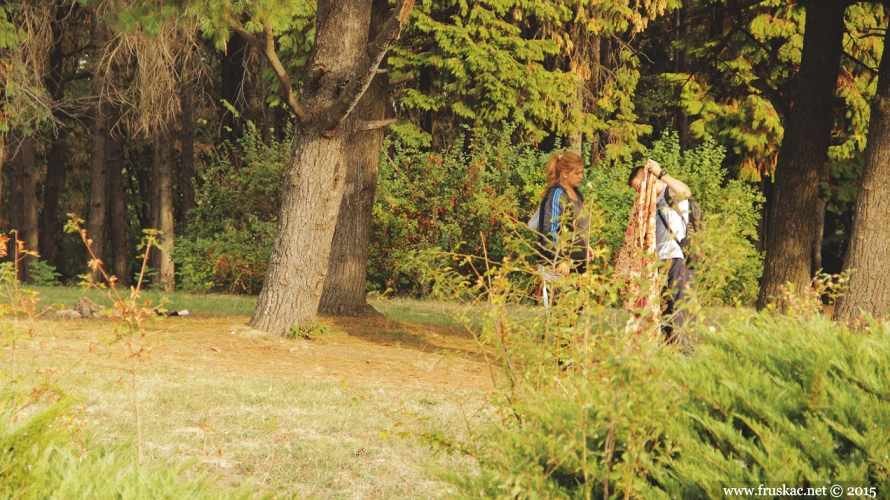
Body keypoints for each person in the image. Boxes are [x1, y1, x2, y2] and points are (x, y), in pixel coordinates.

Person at [627, 159, 694, 346]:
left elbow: (686, 192)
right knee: (664, 307)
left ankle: (684, 351)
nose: (638, 193)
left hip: (676, 256)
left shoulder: (668, 191)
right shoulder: (648, 203)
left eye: (638, 187)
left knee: (679, 305)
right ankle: (668, 348)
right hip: (658, 260)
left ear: (648, 179)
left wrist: (660, 172)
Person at [535, 151, 594, 276]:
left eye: (582, 173)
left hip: (576, 266)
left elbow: (577, 226)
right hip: (557, 267)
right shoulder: (556, 195)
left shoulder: (577, 194)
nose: (581, 176)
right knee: (555, 296)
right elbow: (549, 230)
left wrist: (585, 246)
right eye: (577, 173)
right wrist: (560, 260)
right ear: (565, 174)